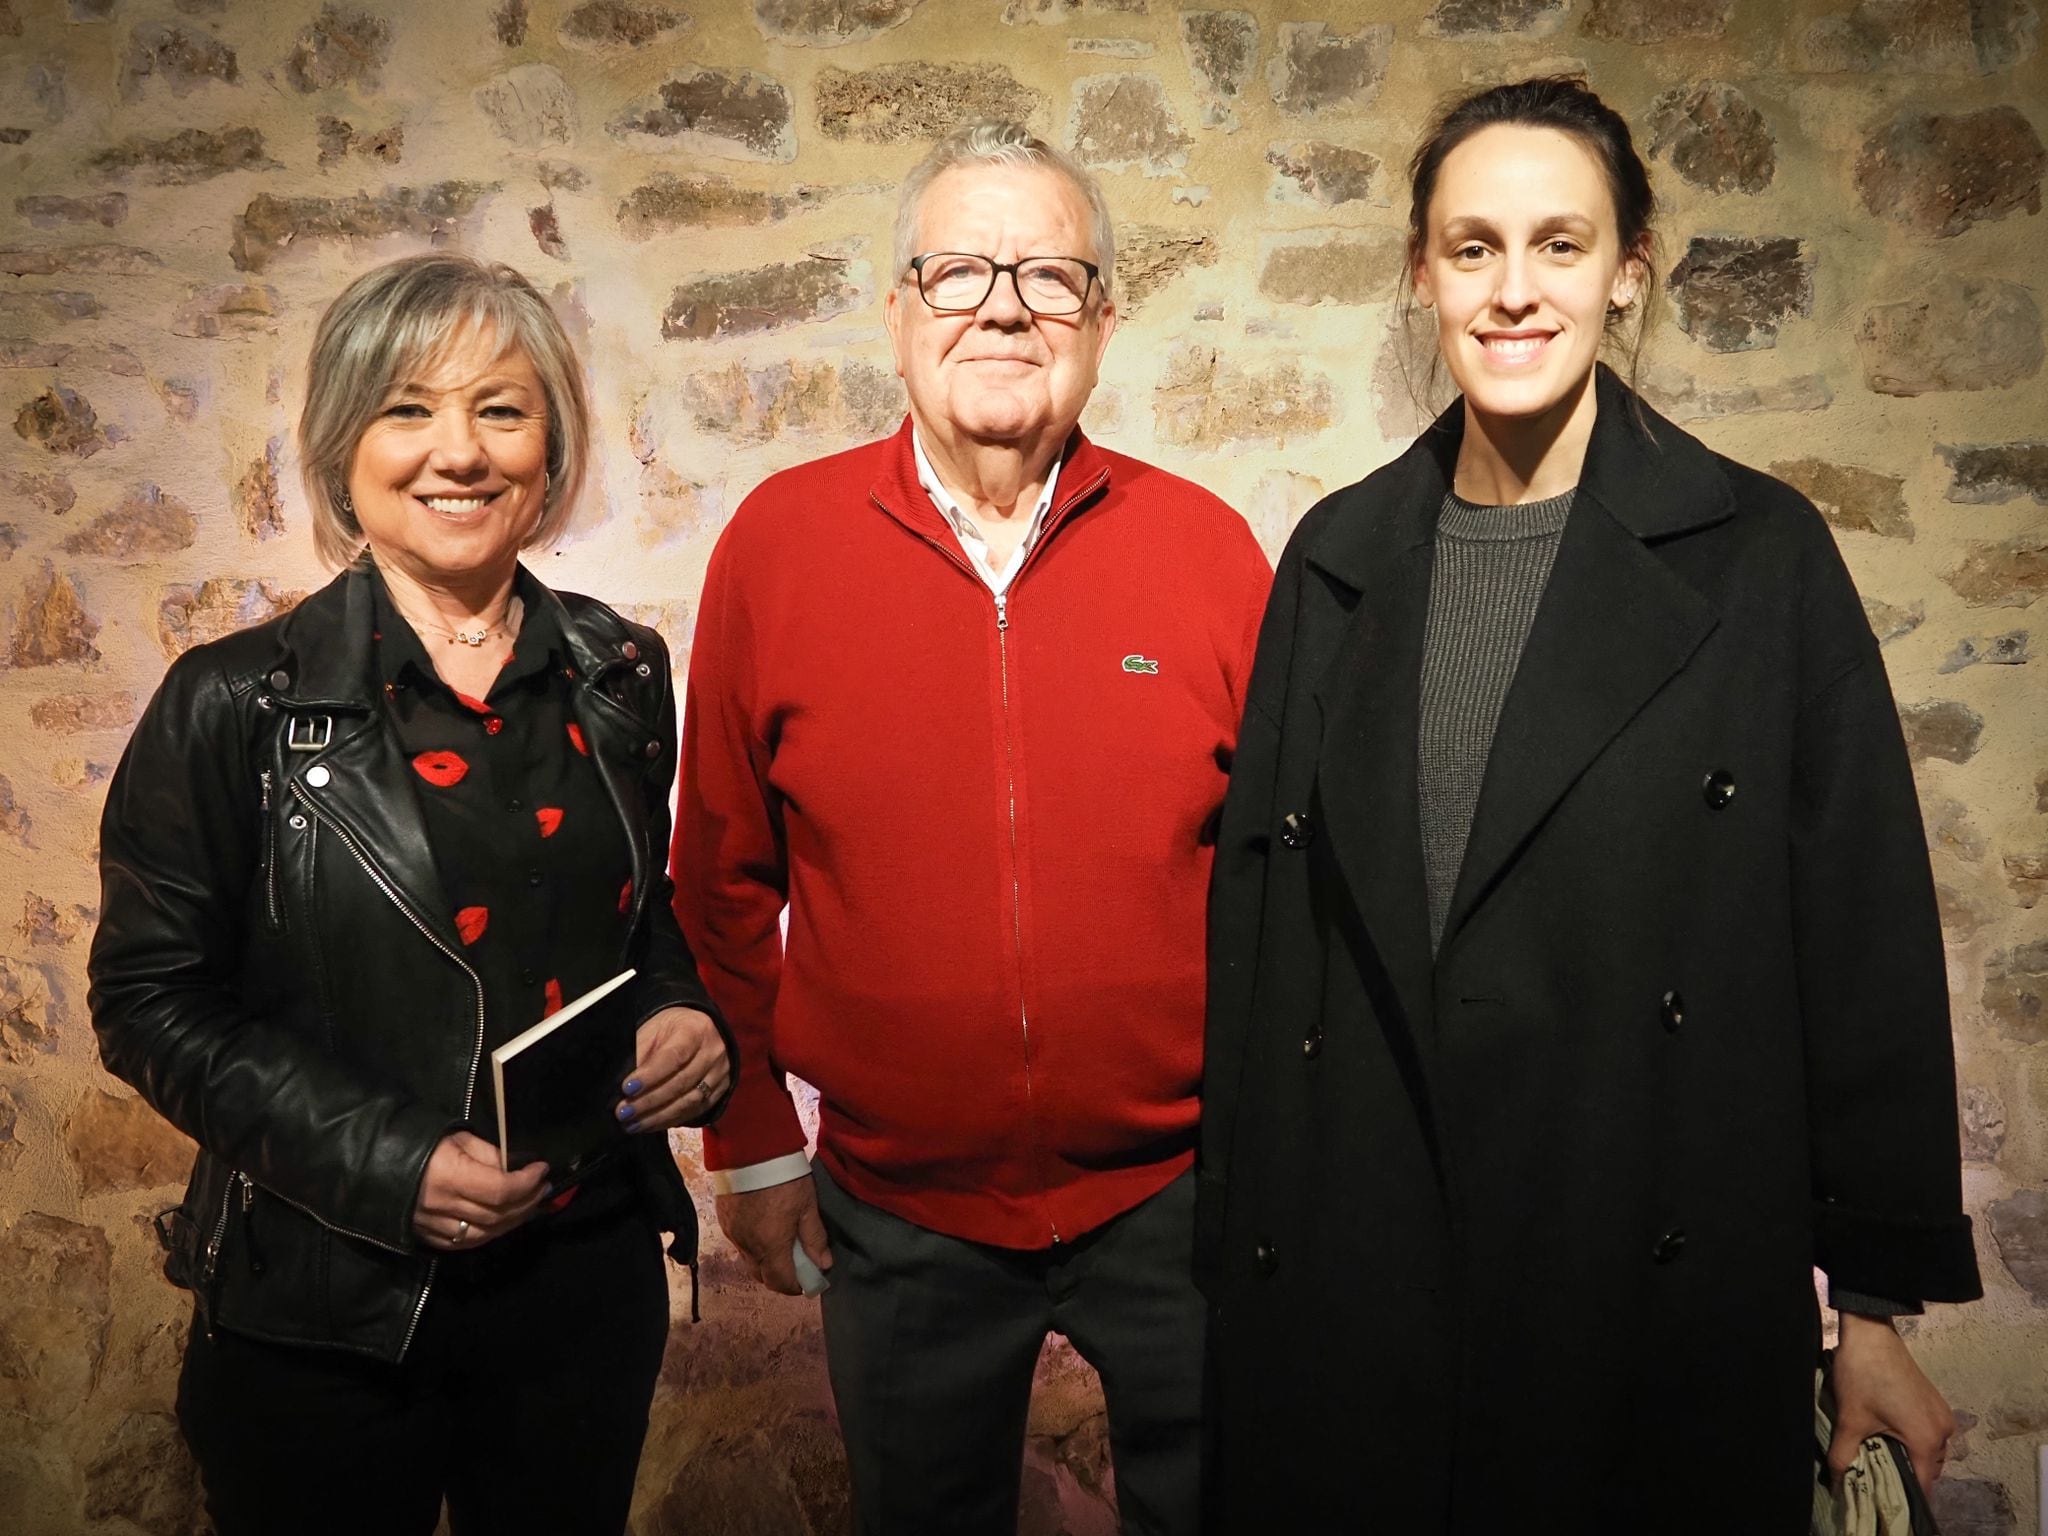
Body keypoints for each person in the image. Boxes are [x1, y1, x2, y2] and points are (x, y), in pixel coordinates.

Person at [1195, 77, 1981, 1533]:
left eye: (1559, 245)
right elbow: (1262, 943)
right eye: (1472, 246)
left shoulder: (1759, 558)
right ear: (1422, 275)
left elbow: (1858, 924)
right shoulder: (1338, 557)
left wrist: (1872, 1302)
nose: (1512, 290)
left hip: (1646, 1281)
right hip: (1367, 1287)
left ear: (1630, 276)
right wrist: (1231, 1266)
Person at [674, 120, 1272, 1535]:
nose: (1004, 305)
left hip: (1181, 1202)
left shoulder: (1205, 549)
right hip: (901, 1211)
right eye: (957, 272)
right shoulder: (780, 542)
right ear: (899, 310)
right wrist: (754, 1141)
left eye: (1051, 276)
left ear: (1103, 320)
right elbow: (718, 876)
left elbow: (1280, 885)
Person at [88, 253, 734, 1536]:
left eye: (502, 409)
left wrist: (684, 1012)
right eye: (407, 409)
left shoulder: (618, 670)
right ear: (345, 448)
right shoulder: (233, 702)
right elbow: (149, 1003)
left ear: (549, 446)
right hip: (327, 1308)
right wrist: (388, 1164)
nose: (460, 451)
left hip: (582, 1287)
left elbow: (634, 911)